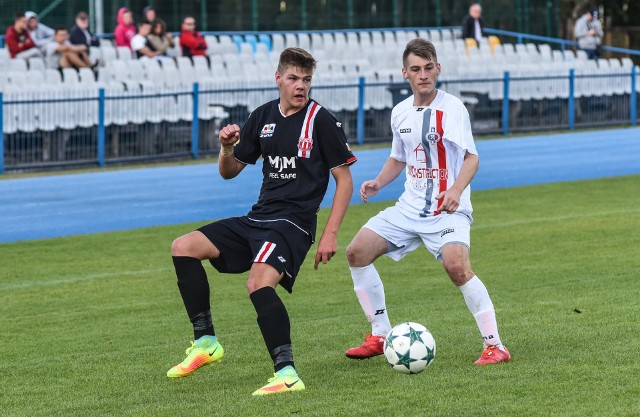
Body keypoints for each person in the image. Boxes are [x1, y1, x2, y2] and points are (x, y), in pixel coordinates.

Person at [166, 47, 356, 395]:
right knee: (183, 247)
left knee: (258, 283)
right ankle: (206, 342)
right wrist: (226, 148)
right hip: (259, 217)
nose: (301, 86)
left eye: (307, 80)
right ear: (278, 78)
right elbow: (229, 172)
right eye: (294, 78)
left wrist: (330, 234)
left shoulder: (322, 120)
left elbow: (344, 180)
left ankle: (287, 374)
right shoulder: (263, 116)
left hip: (293, 224)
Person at [344, 38, 511, 366]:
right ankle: (380, 333)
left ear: (438, 69)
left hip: (447, 209)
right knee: (356, 252)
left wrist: (455, 190)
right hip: (409, 208)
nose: (424, 75)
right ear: (405, 73)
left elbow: (472, 158)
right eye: (416, 69)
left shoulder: (452, 109)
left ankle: (495, 346)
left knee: (457, 267)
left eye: (429, 68)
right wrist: (378, 182)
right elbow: (398, 157)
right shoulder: (400, 112)